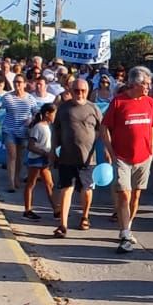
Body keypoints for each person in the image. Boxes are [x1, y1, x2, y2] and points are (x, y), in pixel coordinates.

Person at [101, 66, 153, 253]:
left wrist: (151, 150)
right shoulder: (119, 102)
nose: (148, 87)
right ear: (134, 83)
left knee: (136, 195)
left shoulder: (150, 103)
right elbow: (104, 128)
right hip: (122, 157)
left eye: (149, 84)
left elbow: (152, 126)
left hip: (144, 157)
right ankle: (125, 232)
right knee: (124, 194)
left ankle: (128, 226)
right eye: (145, 84)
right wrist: (110, 151)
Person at [52, 78, 103, 237]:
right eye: (76, 91)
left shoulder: (93, 108)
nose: (79, 94)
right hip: (67, 157)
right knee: (66, 189)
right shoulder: (63, 108)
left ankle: (85, 216)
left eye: (83, 91)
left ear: (87, 92)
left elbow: (102, 130)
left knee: (86, 190)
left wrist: (107, 151)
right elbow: (56, 131)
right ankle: (63, 225)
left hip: (88, 158)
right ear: (71, 90)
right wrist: (53, 151)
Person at [0, 74, 38, 193]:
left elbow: (36, 113)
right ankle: (10, 183)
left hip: (23, 131)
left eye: (19, 82)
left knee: (19, 157)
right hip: (9, 130)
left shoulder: (30, 98)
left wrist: (31, 119)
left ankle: (16, 178)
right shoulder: (8, 97)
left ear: (25, 84)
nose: (17, 84)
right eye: (15, 82)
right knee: (12, 155)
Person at [22, 101, 57, 219]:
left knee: (49, 183)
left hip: (44, 160)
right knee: (31, 184)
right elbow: (31, 146)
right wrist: (44, 153)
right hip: (36, 160)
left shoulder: (48, 127)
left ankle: (56, 210)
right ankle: (27, 210)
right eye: (54, 114)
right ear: (47, 114)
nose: (55, 117)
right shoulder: (38, 127)